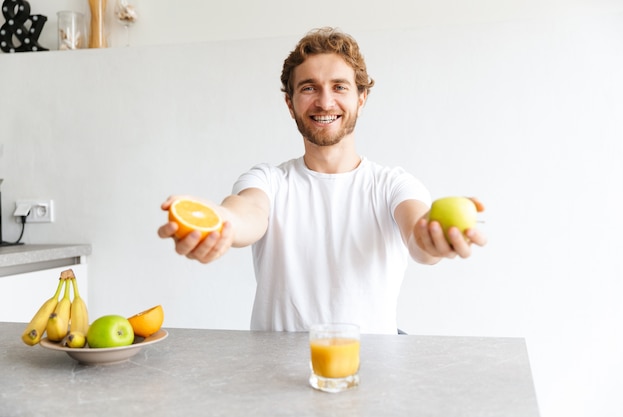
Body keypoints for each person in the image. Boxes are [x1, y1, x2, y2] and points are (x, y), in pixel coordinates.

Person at [158, 27, 487, 334]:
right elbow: (246, 212)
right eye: (309, 88)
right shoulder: (268, 180)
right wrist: (219, 222)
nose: (325, 101)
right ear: (290, 103)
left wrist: (432, 240)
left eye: (339, 87)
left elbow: (418, 235)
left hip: (370, 377)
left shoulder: (393, 186)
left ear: (361, 98)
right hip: (275, 380)